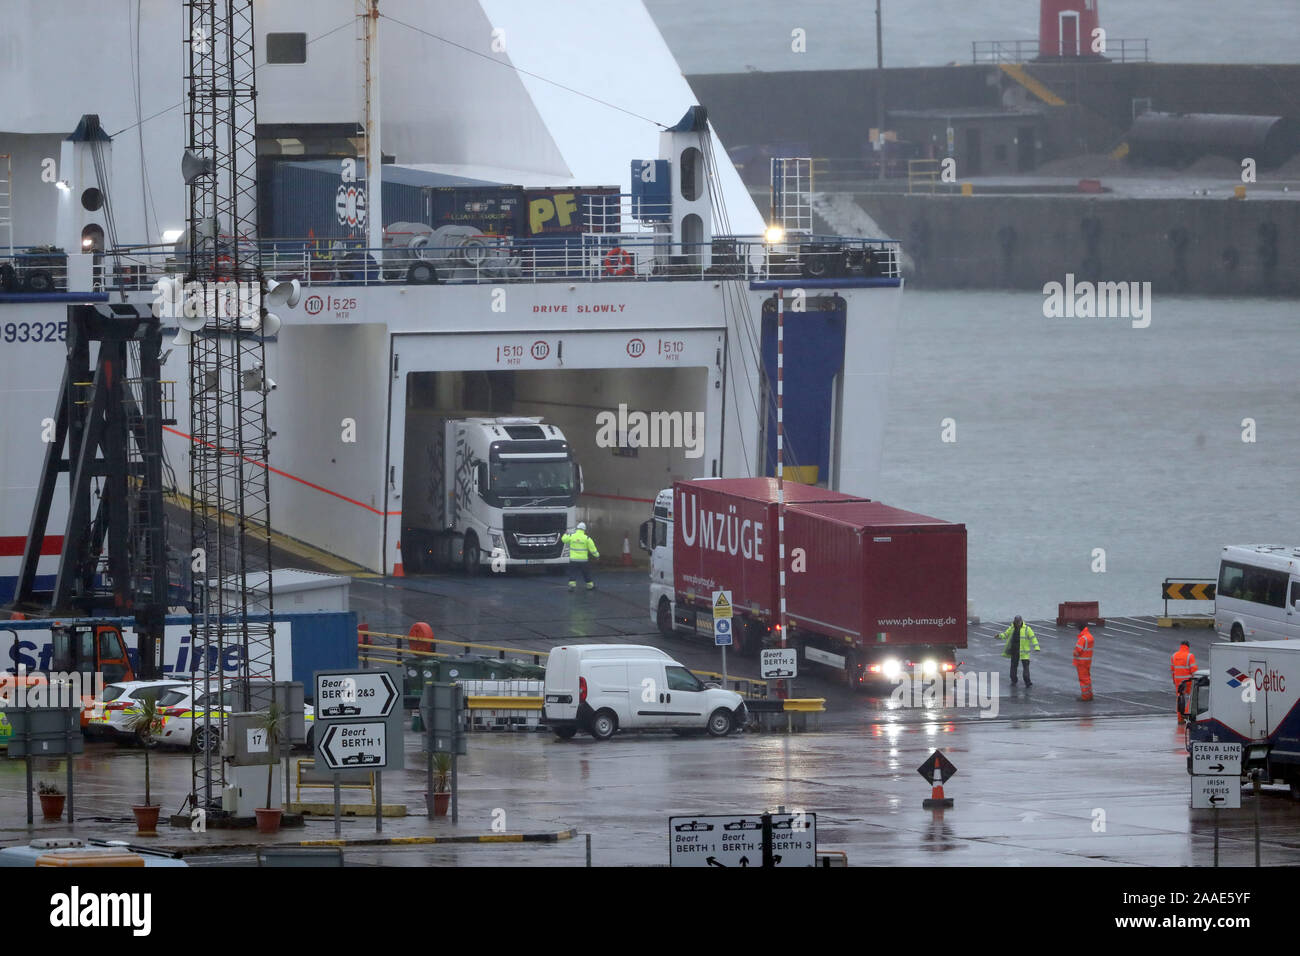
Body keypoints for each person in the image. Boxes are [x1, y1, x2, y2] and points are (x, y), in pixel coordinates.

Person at [997, 615, 1039, 687]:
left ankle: (1027, 681)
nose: (1017, 624)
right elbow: (1005, 635)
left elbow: (1033, 638)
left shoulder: (1027, 629)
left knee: (1025, 668)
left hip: (1024, 652)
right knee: (1013, 666)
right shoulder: (1012, 628)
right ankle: (1014, 680)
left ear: (1021, 621)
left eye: (1018, 622)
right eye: (1016, 622)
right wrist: (999, 636)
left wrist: (1037, 647)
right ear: (1014, 622)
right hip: (1014, 651)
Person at [561, 521, 600, 591]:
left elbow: (564, 540)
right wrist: (597, 556)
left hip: (573, 560)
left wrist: (565, 533)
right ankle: (590, 586)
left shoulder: (571, 536)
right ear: (584, 530)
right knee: (586, 573)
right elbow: (593, 549)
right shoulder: (587, 538)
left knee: (572, 573)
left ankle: (572, 586)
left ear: (577, 528)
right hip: (583, 560)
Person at [1171, 639, 1197, 723]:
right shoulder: (1190, 656)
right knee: (1192, 698)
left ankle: (1180, 719)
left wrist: (1174, 680)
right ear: (1188, 647)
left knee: (1180, 699)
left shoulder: (1174, 656)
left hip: (1178, 681)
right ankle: (1186, 713)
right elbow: (1194, 670)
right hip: (1188, 681)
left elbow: (1172, 670)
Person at [1072, 626, 1095, 701]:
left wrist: (1074, 653)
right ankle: (1089, 694)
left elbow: (1077, 651)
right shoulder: (1090, 636)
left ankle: (1085, 696)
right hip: (1088, 661)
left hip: (1081, 662)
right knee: (1087, 679)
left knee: (1083, 680)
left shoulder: (1082, 638)